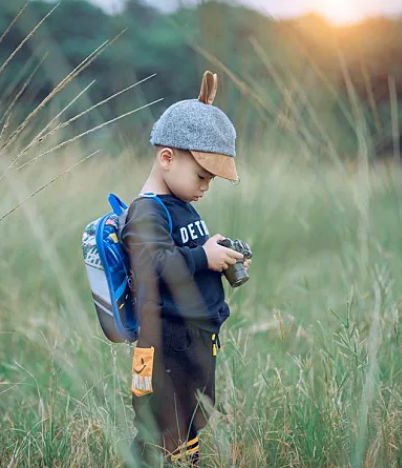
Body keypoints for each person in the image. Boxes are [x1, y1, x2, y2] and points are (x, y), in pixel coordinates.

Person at [120, 71, 250, 466]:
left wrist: (218, 252)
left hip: (192, 338)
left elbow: (185, 256)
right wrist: (202, 256)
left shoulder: (181, 205)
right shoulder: (146, 212)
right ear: (166, 158)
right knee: (163, 422)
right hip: (165, 342)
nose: (206, 187)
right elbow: (155, 266)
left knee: (192, 415)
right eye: (201, 175)